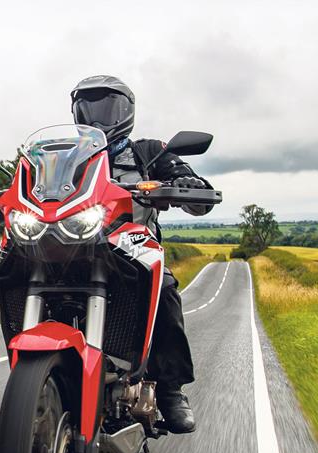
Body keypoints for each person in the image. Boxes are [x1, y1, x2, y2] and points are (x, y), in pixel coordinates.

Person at [71, 75, 216, 434]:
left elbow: (187, 180)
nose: (97, 115)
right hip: (70, 246)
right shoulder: (63, 155)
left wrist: (187, 185)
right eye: (88, 106)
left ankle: (169, 388)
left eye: (107, 106)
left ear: (126, 110)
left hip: (131, 246)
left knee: (165, 292)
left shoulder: (149, 152)